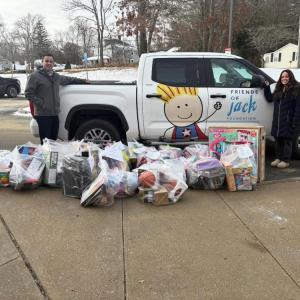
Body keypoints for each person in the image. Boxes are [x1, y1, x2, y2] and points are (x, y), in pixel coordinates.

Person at [25, 53, 88, 144]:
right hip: (43, 114)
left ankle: (51, 158)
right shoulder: (35, 76)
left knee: (53, 140)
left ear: (53, 63)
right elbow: (28, 94)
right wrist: (42, 103)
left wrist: (83, 81)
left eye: (51, 61)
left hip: (54, 114)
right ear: (42, 62)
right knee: (46, 142)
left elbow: (69, 79)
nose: (49, 63)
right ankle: (46, 157)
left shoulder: (56, 76)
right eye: (46, 61)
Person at [264, 69, 300, 168]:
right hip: (278, 120)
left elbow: (298, 107)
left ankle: (286, 160)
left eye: (286, 76)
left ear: (291, 77)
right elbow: (269, 98)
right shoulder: (279, 89)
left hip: (289, 120)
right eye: (282, 77)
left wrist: (295, 121)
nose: (284, 78)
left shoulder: (296, 89)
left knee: (287, 141)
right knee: (278, 140)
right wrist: (266, 86)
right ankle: (278, 158)